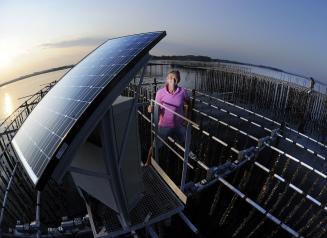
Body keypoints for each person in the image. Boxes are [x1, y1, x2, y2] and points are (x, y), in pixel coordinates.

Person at [146, 70, 190, 165]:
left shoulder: (183, 92)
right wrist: (151, 108)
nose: (172, 80)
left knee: (185, 142)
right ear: (167, 79)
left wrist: (186, 117)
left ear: (178, 80)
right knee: (155, 146)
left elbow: (187, 104)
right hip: (164, 125)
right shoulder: (160, 93)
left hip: (179, 125)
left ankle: (183, 160)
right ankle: (148, 162)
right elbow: (155, 106)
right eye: (170, 77)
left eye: (175, 78)